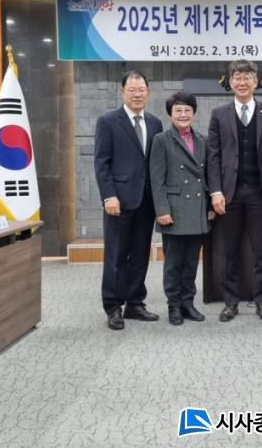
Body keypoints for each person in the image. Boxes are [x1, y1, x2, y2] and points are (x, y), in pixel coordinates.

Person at [207, 59, 262, 322]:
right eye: (237, 77)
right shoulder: (219, 114)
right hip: (229, 194)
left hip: (260, 193)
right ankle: (230, 302)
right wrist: (215, 191)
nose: (242, 82)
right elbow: (213, 156)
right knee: (230, 250)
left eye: (247, 77)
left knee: (261, 250)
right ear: (230, 82)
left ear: (255, 81)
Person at [94, 70, 163, 330]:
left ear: (148, 92)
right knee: (116, 255)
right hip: (118, 202)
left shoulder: (155, 123)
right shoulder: (108, 121)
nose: (137, 94)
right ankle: (113, 306)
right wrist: (108, 195)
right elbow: (101, 162)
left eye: (141, 90)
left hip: (146, 201)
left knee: (140, 254)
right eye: (131, 90)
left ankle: (135, 303)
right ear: (122, 92)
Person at [150, 91, 215, 325]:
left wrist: (210, 205)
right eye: (178, 110)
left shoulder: (202, 140)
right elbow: (156, 179)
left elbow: (207, 176)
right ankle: (174, 305)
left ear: (194, 114)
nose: (183, 114)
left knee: (191, 262)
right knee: (173, 263)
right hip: (174, 211)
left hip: (197, 209)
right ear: (171, 113)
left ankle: (188, 303)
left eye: (187, 110)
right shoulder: (161, 140)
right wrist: (162, 210)